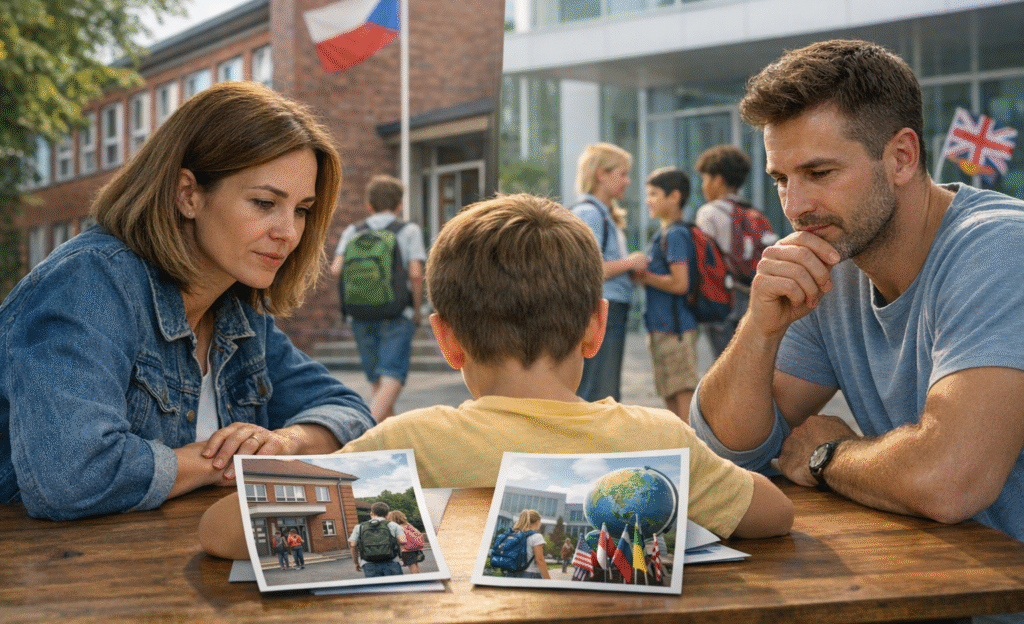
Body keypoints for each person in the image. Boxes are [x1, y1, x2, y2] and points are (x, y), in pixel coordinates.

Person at [197, 193, 792, 560]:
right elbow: (772, 515)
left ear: (446, 339)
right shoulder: (654, 438)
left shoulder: (412, 441)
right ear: (596, 327)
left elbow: (222, 531)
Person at [689, 40, 1024, 551]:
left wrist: (830, 455)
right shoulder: (832, 260)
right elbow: (728, 452)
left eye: (820, 173)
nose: (795, 206)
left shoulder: (1000, 248)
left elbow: (949, 479)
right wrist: (761, 325)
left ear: (902, 158)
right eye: (782, 179)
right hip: (943, 585)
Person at [0, 81, 374, 521]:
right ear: (188, 195)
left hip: (169, 569)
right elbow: (74, 474)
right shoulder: (92, 282)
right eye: (264, 202)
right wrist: (227, 462)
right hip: (43, 577)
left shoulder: (237, 311)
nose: (288, 232)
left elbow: (349, 413)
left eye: (301, 210)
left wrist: (284, 442)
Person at [330, 175, 425, 422]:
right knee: (391, 376)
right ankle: (363, 428)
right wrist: (416, 311)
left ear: (368, 205)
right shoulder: (408, 230)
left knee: (377, 383)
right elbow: (416, 274)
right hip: (396, 312)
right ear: (399, 204)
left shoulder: (354, 230)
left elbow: (336, 269)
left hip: (360, 313)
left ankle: (389, 445)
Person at [569, 143, 648, 402]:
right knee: (601, 391)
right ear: (601, 174)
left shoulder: (604, 214)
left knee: (604, 387)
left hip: (611, 308)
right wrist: (630, 263)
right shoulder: (589, 214)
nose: (628, 181)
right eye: (622, 173)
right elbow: (587, 269)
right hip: (604, 308)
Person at [694, 145, 776, 356]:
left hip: (724, 300)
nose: (703, 186)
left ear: (718, 180)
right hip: (753, 297)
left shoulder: (709, 212)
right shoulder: (753, 212)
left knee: (725, 363)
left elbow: (705, 262)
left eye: (705, 179)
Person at [632, 167, 699, 422]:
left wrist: (644, 276)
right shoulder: (663, 233)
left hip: (676, 329)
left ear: (674, 196)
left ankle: (691, 453)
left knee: (681, 392)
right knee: (669, 393)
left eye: (653, 193)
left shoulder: (676, 234)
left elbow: (680, 283)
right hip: (663, 327)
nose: (648, 200)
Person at [349, 501, 407, 578]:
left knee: (377, 589)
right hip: (391, 561)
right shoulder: (393, 525)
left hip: (369, 563)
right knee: (397, 588)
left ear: (371, 513)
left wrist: (356, 562)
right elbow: (403, 541)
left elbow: (353, 545)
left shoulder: (359, 527)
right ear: (387, 514)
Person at [509, 509, 549, 579]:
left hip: (511, 573)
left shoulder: (513, 534)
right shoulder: (536, 536)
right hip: (529, 574)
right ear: (537, 522)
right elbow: (540, 560)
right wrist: (548, 579)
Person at [388, 510, 424, 574]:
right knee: (416, 564)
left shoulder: (398, 528)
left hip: (406, 549)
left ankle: (416, 579)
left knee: (412, 566)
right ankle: (421, 577)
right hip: (415, 548)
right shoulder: (408, 525)